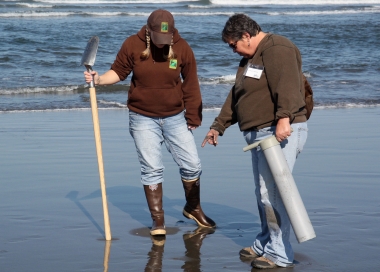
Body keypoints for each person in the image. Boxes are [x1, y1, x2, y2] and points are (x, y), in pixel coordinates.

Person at [84, 9, 216, 237]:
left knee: (192, 165)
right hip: (142, 117)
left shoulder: (182, 47)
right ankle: (158, 221)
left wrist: (194, 115)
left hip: (175, 116)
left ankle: (193, 208)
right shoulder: (132, 45)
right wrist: (99, 79)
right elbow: (118, 71)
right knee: (152, 169)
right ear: (148, 31)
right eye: (159, 39)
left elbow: (191, 83)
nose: (164, 44)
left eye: (167, 39)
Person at [202, 14, 308, 269]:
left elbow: (289, 85)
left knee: (272, 195)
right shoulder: (251, 58)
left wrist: (284, 118)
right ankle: (265, 243)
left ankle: (280, 254)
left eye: (233, 44)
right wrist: (219, 126)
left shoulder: (277, 48)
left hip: (278, 132)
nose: (232, 49)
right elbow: (237, 94)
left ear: (246, 36)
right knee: (264, 193)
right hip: (261, 134)